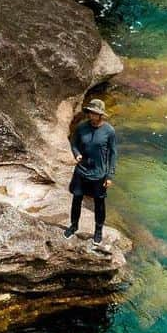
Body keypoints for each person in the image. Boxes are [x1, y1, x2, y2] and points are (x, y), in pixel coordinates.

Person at [65, 99, 117, 251]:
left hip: (99, 174)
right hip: (81, 171)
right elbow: (73, 142)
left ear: (100, 115)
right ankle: (73, 226)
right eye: (89, 112)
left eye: (94, 113)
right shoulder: (82, 127)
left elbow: (113, 154)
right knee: (76, 198)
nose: (91, 115)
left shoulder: (109, 131)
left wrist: (109, 176)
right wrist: (76, 154)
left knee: (99, 203)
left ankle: (98, 231)